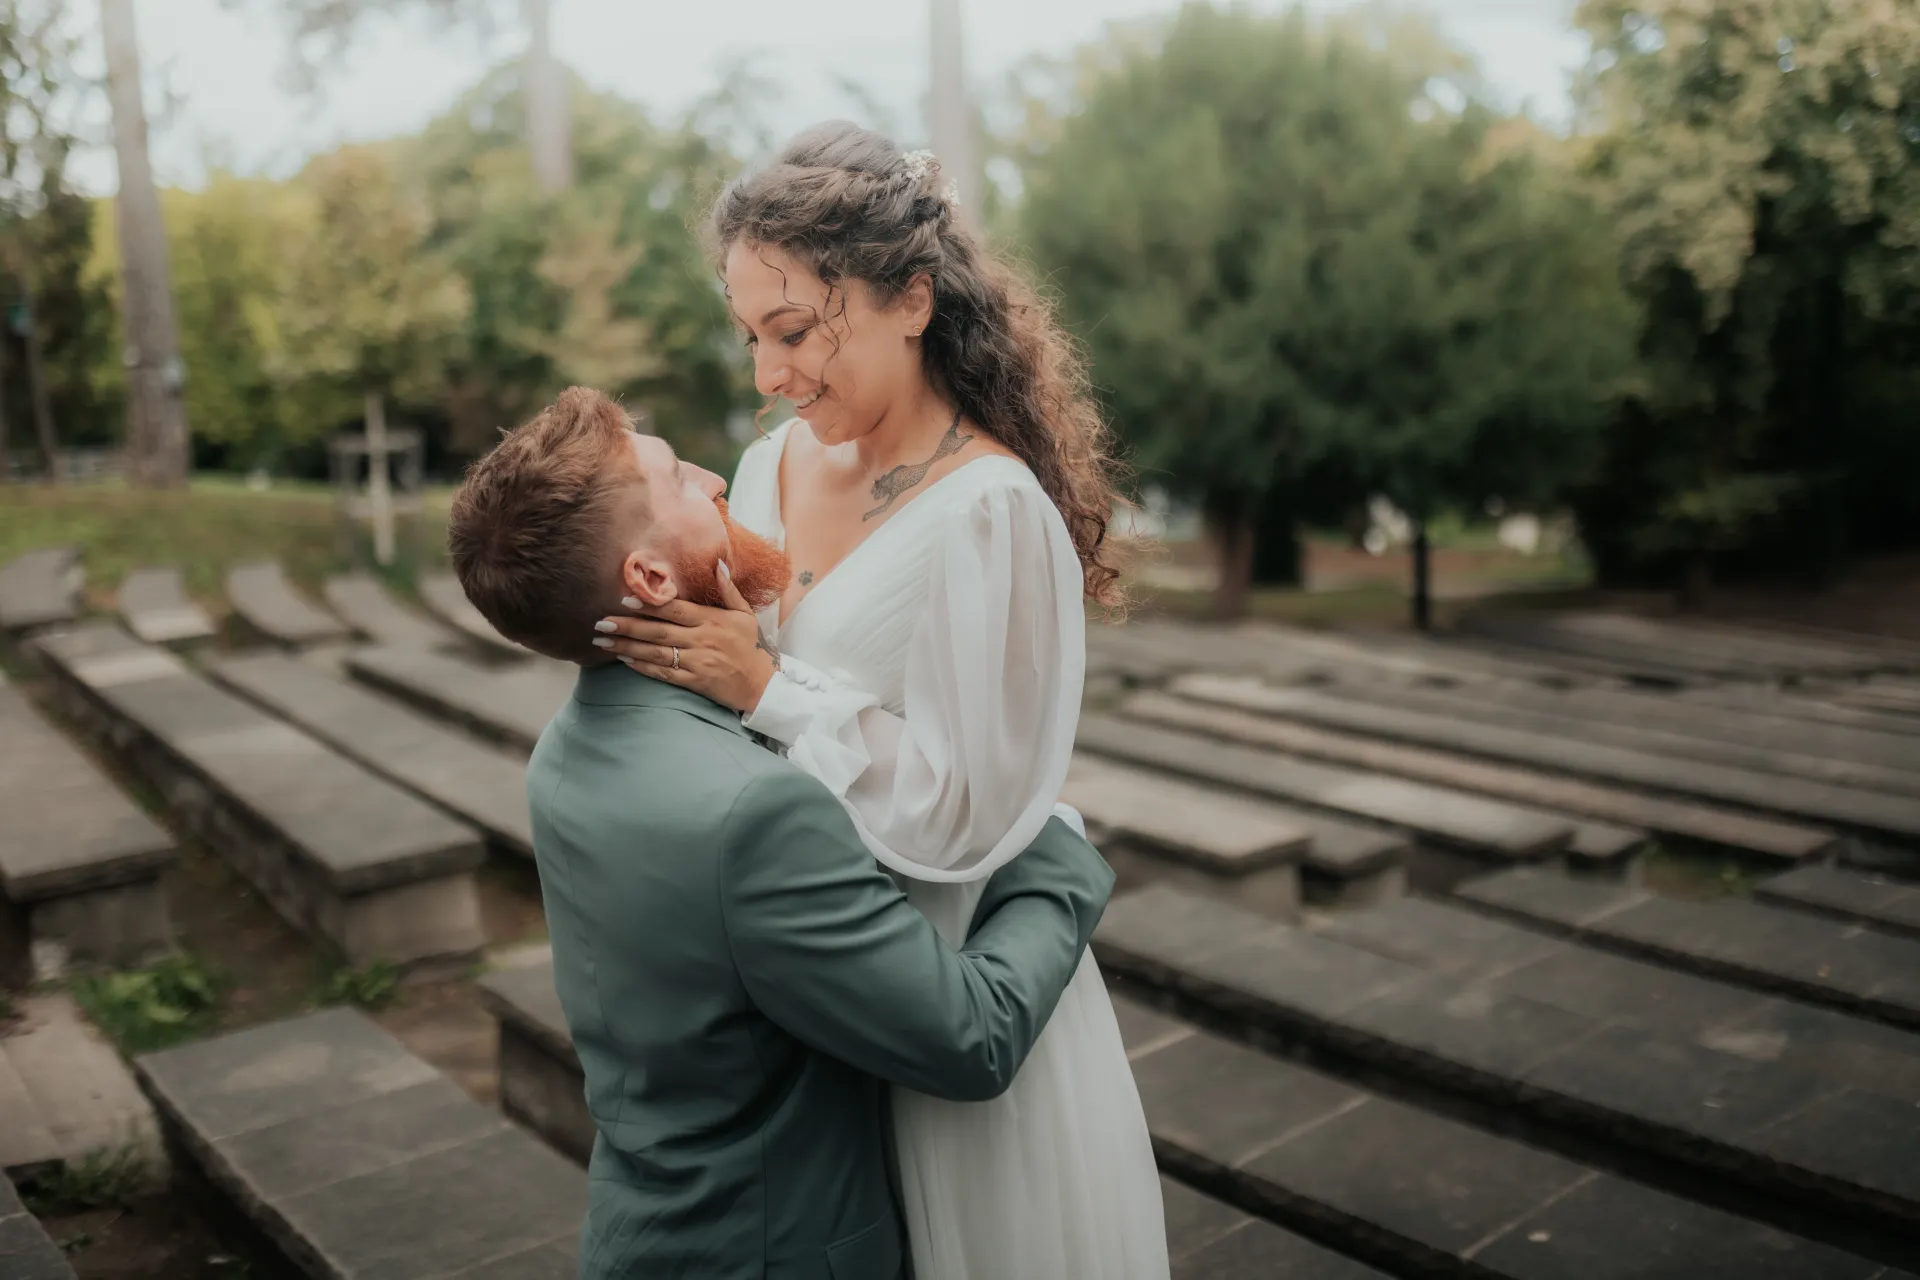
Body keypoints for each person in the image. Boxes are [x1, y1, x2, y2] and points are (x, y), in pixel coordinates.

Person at [591, 123, 1169, 1279]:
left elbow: (966, 819)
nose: (767, 373)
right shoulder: (770, 468)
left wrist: (768, 687)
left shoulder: (991, 512)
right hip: (811, 995)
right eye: (752, 334)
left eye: (797, 330)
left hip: (947, 983)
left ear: (911, 298)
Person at [446, 385, 1116, 1279]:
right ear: (647, 579)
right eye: (680, 478)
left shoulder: (563, 756)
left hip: (643, 1234)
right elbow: (972, 1038)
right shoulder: (756, 814)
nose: (717, 474)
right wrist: (1058, 851)